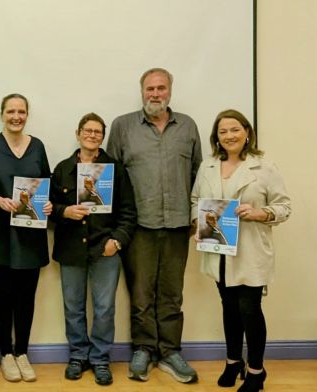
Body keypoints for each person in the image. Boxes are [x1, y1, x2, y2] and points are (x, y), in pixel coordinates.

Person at [106, 67, 203, 383]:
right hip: (139, 226)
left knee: (172, 293)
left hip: (177, 225)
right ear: (142, 91)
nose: (155, 94)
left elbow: (199, 175)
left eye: (161, 88)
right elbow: (111, 178)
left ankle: (171, 351)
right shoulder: (122, 127)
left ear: (170, 91)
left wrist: (196, 216)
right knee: (141, 293)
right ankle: (144, 349)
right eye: (150, 89)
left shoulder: (187, 126)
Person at [191, 109, 291, 392]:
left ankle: (256, 371)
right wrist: (197, 220)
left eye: (234, 129)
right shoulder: (207, 166)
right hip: (218, 248)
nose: (229, 136)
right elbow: (195, 199)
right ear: (216, 137)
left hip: (250, 251)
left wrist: (259, 213)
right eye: (223, 132)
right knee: (229, 308)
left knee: (250, 309)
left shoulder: (264, 167)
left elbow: (285, 207)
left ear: (247, 132)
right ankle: (233, 361)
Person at [50, 113, 137, 386]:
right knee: (73, 307)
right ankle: (78, 356)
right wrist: (66, 211)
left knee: (104, 308)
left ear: (103, 136)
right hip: (71, 249)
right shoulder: (63, 169)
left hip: (105, 249)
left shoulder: (115, 169)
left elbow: (128, 212)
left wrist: (117, 240)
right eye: (87, 130)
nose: (92, 135)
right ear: (78, 134)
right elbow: (48, 209)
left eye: (98, 132)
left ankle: (100, 359)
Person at [0, 93, 52, 382]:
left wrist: (48, 204)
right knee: (3, 295)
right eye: (10, 111)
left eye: (21, 111)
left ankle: (23, 353)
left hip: (30, 234)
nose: (16, 116)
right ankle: (6, 353)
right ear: (2, 114)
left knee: (26, 297)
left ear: (27, 114)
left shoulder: (38, 146)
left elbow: (46, 184)